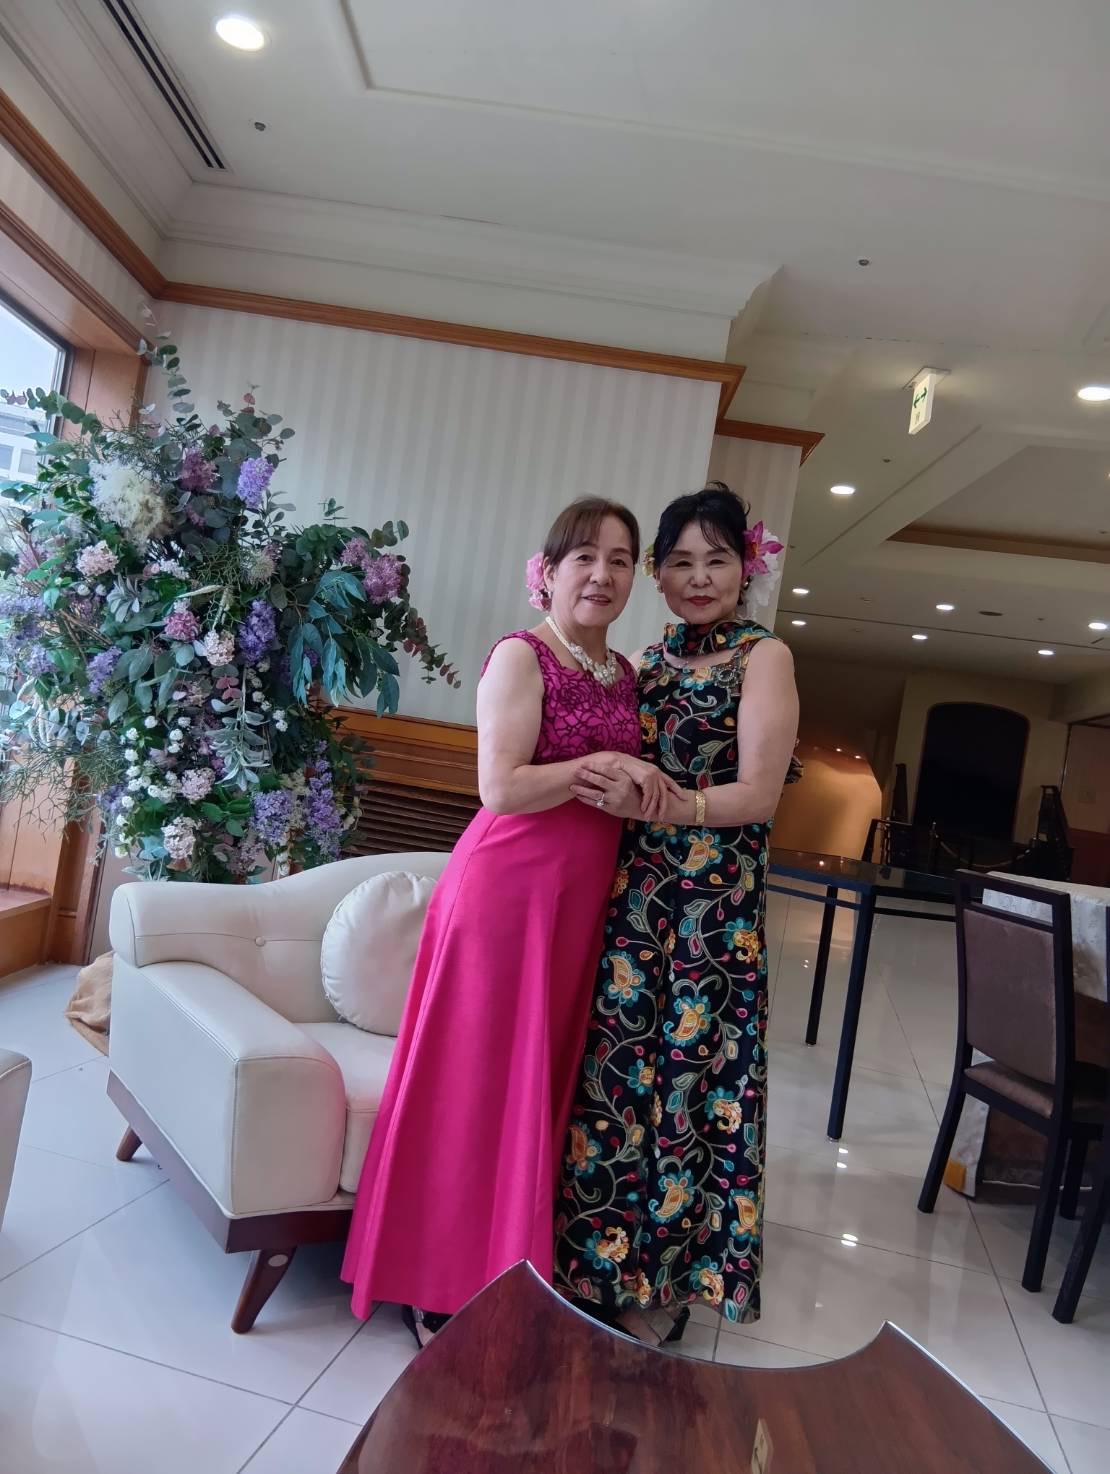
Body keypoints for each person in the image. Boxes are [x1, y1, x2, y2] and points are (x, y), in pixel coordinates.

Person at [342, 496, 674, 1347]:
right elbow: (502, 787)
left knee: (537, 1085)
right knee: (474, 1082)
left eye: (620, 560)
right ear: (549, 571)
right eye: (584, 557)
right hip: (504, 895)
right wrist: (603, 762)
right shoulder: (522, 656)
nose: (602, 574)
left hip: (575, 908)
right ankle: (435, 1284)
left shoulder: (624, 673)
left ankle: (509, 1270)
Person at [552, 481, 800, 1345]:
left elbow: (759, 794)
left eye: (717, 561)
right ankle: (593, 1264)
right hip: (632, 904)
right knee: (615, 1081)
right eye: (682, 563)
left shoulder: (764, 658)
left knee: (692, 1090)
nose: (700, 578)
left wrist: (667, 803)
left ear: (745, 568)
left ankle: (664, 1283)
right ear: (657, 575)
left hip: (713, 912)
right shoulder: (642, 663)